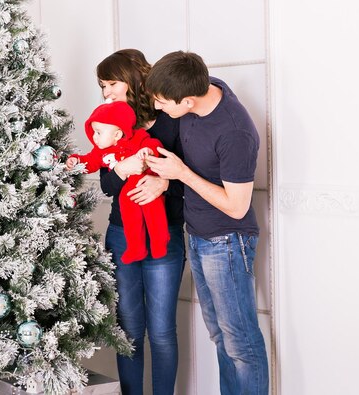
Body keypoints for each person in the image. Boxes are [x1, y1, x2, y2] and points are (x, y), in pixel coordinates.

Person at [145, 50, 268, 395]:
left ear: (186, 100)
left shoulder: (234, 132)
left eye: (162, 102)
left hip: (227, 242)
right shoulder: (207, 88)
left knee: (241, 344)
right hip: (198, 234)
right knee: (221, 337)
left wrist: (181, 174)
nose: (158, 108)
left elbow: (237, 206)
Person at [95, 49, 185, 395]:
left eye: (112, 83)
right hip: (121, 235)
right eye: (103, 86)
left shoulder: (171, 118)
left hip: (166, 235)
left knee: (162, 332)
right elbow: (106, 184)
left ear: (134, 80)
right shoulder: (111, 123)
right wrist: (121, 169)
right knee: (129, 329)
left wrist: (165, 183)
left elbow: (192, 175)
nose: (106, 93)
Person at [66, 101, 170, 263]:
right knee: (127, 204)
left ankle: (160, 240)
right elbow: (90, 161)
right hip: (128, 188)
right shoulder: (100, 151)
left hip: (146, 181)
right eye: (94, 132)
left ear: (117, 134)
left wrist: (148, 151)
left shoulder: (137, 137)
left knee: (152, 206)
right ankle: (136, 247)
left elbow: (154, 144)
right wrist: (75, 161)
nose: (94, 137)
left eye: (99, 132)